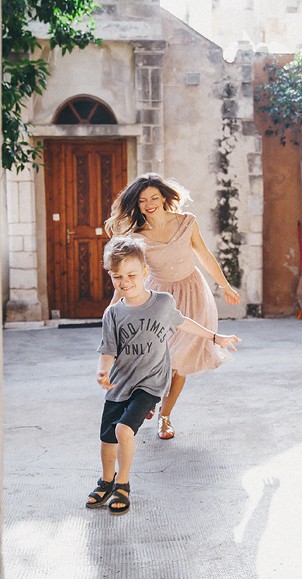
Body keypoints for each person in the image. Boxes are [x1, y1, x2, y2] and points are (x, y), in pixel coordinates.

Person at [87, 237, 240, 514]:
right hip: (121, 383)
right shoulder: (113, 313)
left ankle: (123, 483)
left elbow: (185, 324)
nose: (125, 281)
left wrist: (215, 337)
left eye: (132, 275)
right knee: (107, 439)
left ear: (145, 272)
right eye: (118, 276)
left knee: (123, 430)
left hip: (150, 384)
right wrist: (102, 368)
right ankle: (106, 480)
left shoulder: (161, 303)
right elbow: (107, 349)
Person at [104, 173, 241, 440]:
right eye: (143, 200)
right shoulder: (136, 236)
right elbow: (127, 274)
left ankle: (164, 417)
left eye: (154, 197)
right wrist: (115, 307)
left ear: (165, 198)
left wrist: (224, 285)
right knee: (154, 356)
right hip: (158, 297)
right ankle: (147, 399)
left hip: (192, 294)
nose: (149, 204)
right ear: (137, 204)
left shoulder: (187, 223)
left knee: (179, 361)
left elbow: (204, 254)